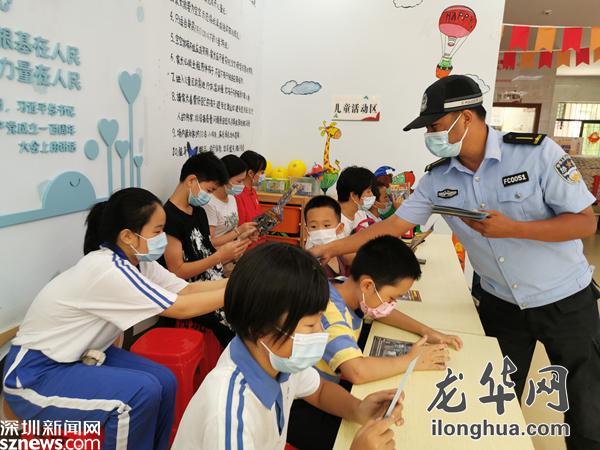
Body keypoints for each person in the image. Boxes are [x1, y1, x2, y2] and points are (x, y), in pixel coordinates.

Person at [311, 74, 600, 450]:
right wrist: (333, 248)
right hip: (501, 304)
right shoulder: (437, 178)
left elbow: (585, 223)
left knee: (586, 403)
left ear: (466, 117)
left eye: (435, 126)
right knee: (495, 392)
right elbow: (393, 226)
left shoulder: (536, 154)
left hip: (565, 299)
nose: (430, 135)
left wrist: (513, 228)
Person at [3, 188, 228, 450]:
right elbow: (182, 307)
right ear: (128, 236)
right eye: (157, 231)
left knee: (165, 381)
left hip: (80, 355)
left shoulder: (139, 262)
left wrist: (238, 282)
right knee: (138, 394)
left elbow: (186, 290)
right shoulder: (106, 269)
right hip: (33, 375)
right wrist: (242, 290)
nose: (163, 238)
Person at [171, 243, 403, 450]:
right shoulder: (230, 414)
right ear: (260, 328)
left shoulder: (274, 356)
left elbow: (319, 391)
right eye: (310, 325)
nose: (321, 334)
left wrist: (358, 409)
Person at [288, 236, 459, 450]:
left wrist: (426, 331)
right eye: (391, 298)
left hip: (319, 389)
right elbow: (356, 371)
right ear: (368, 285)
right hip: (302, 406)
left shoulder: (344, 286)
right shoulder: (330, 313)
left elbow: (382, 313)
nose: (391, 304)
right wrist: (411, 360)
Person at [162, 152, 250, 346]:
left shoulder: (199, 212)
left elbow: (206, 250)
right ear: (191, 181)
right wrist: (220, 256)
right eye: (209, 190)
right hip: (192, 294)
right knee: (239, 326)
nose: (208, 197)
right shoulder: (168, 218)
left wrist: (232, 250)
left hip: (213, 283)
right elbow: (177, 271)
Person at [204, 154, 257, 248]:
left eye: (243, 181)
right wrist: (239, 231)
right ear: (225, 178)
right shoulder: (209, 203)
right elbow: (210, 242)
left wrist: (245, 235)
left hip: (232, 252)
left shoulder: (231, 198)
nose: (242, 185)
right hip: (217, 255)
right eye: (239, 181)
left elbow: (231, 233)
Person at [303, 195, 349, 277]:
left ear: (340, 228)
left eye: (326, 225)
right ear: (307, 231)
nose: (320, 231)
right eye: (313, 226)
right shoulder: (308, 263)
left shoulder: (341, 256)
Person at [336, 166, 376, 237]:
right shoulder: (333, 220)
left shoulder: (360, 214)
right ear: (353, 195)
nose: (372, 195)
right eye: (368, 191)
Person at [236, 150, 267, 227]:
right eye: (262, 172)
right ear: (250, 173)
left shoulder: (253, 191)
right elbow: (241, 227)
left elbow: (257, 217)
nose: (263, 176)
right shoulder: (238, 194)